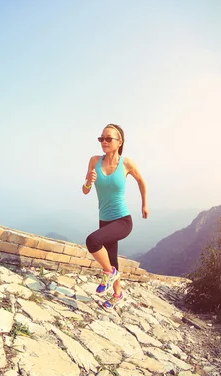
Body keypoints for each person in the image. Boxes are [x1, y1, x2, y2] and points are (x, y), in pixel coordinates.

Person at [82, 123, 148, 309]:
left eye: (108, 138)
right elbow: (85, 190)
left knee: (92, 241)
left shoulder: (126, 163)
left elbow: (141, 181)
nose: (103, 141)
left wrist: (144, 204)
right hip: (104, 219)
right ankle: (117, 294)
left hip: (122, 220)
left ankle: (109, 273)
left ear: (119, 142)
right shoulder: (94, 161)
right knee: (112, 257)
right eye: (101, 138)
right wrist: (88, 181)